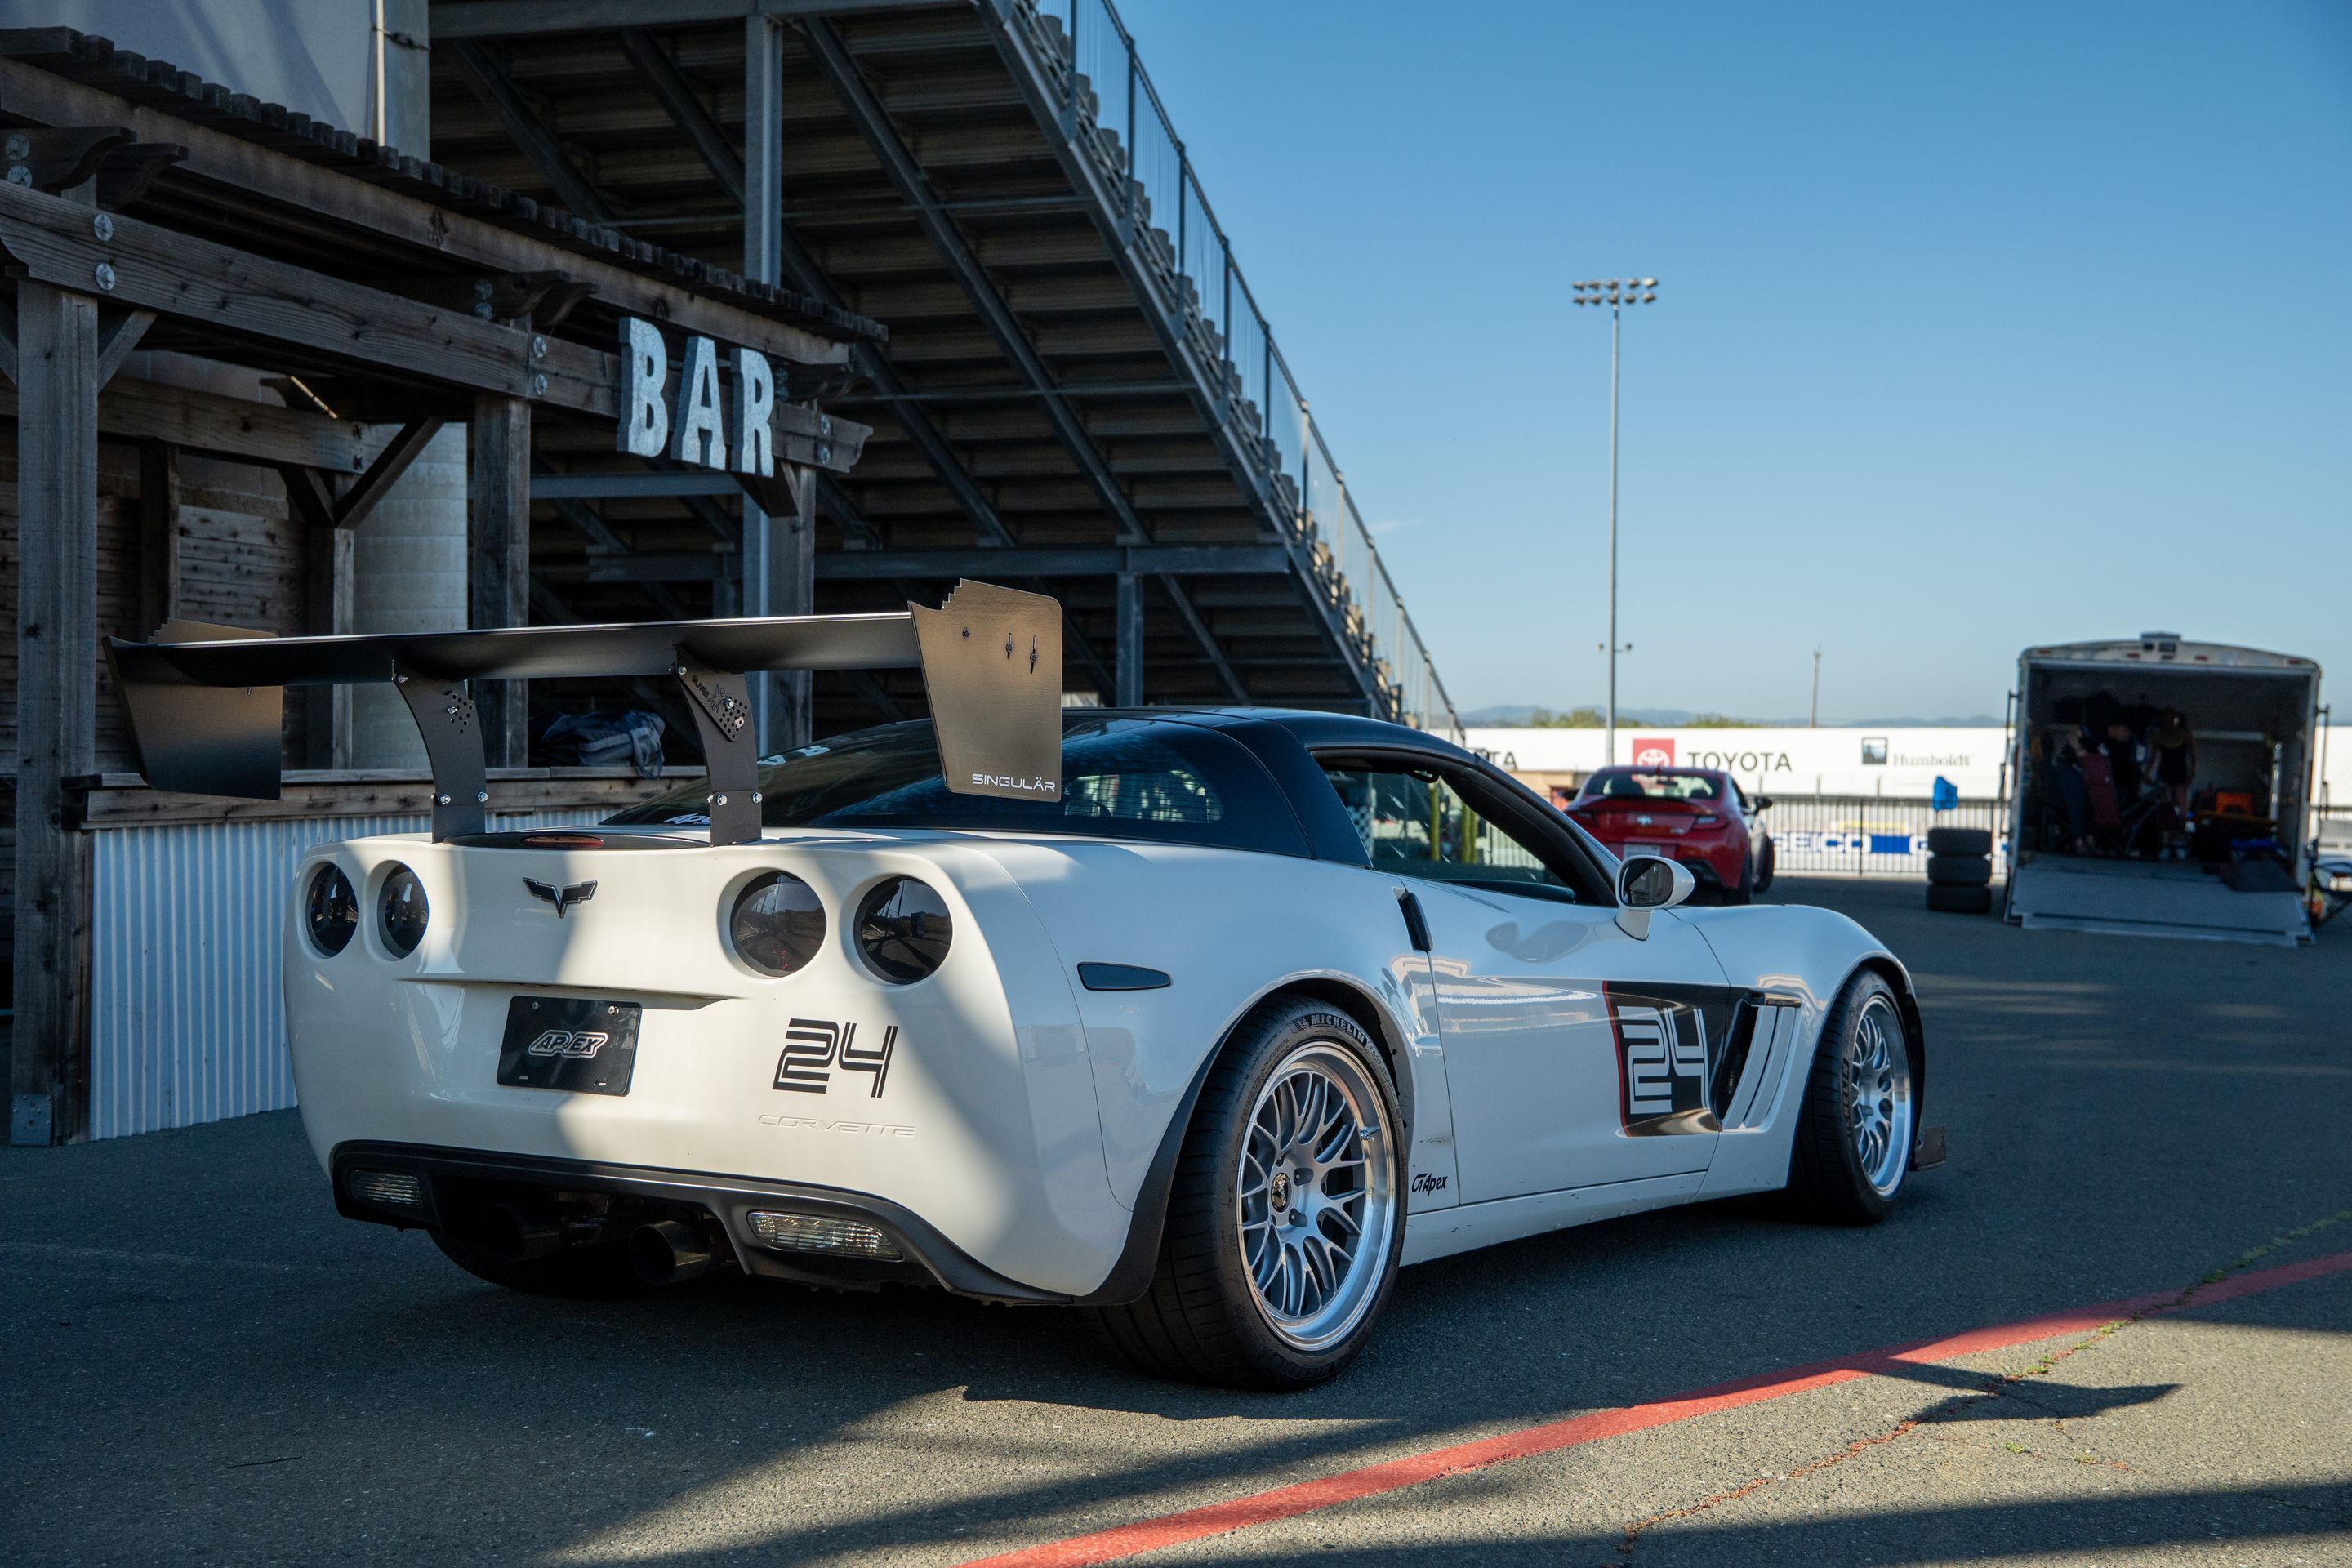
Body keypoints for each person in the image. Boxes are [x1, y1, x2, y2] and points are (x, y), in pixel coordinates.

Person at [2149, 708, 2196, 813]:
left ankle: (2181, 825)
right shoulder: (2158, 736)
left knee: (2182, 804)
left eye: (2171, 720)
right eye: (2165, 721)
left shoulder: (2185, 734)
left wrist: (2191, 773)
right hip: (2164, 773)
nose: (2168, 724)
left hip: (2180, 774)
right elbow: (2153, 758)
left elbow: (2193, 755)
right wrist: (2147, 774)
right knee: (2164, 804)